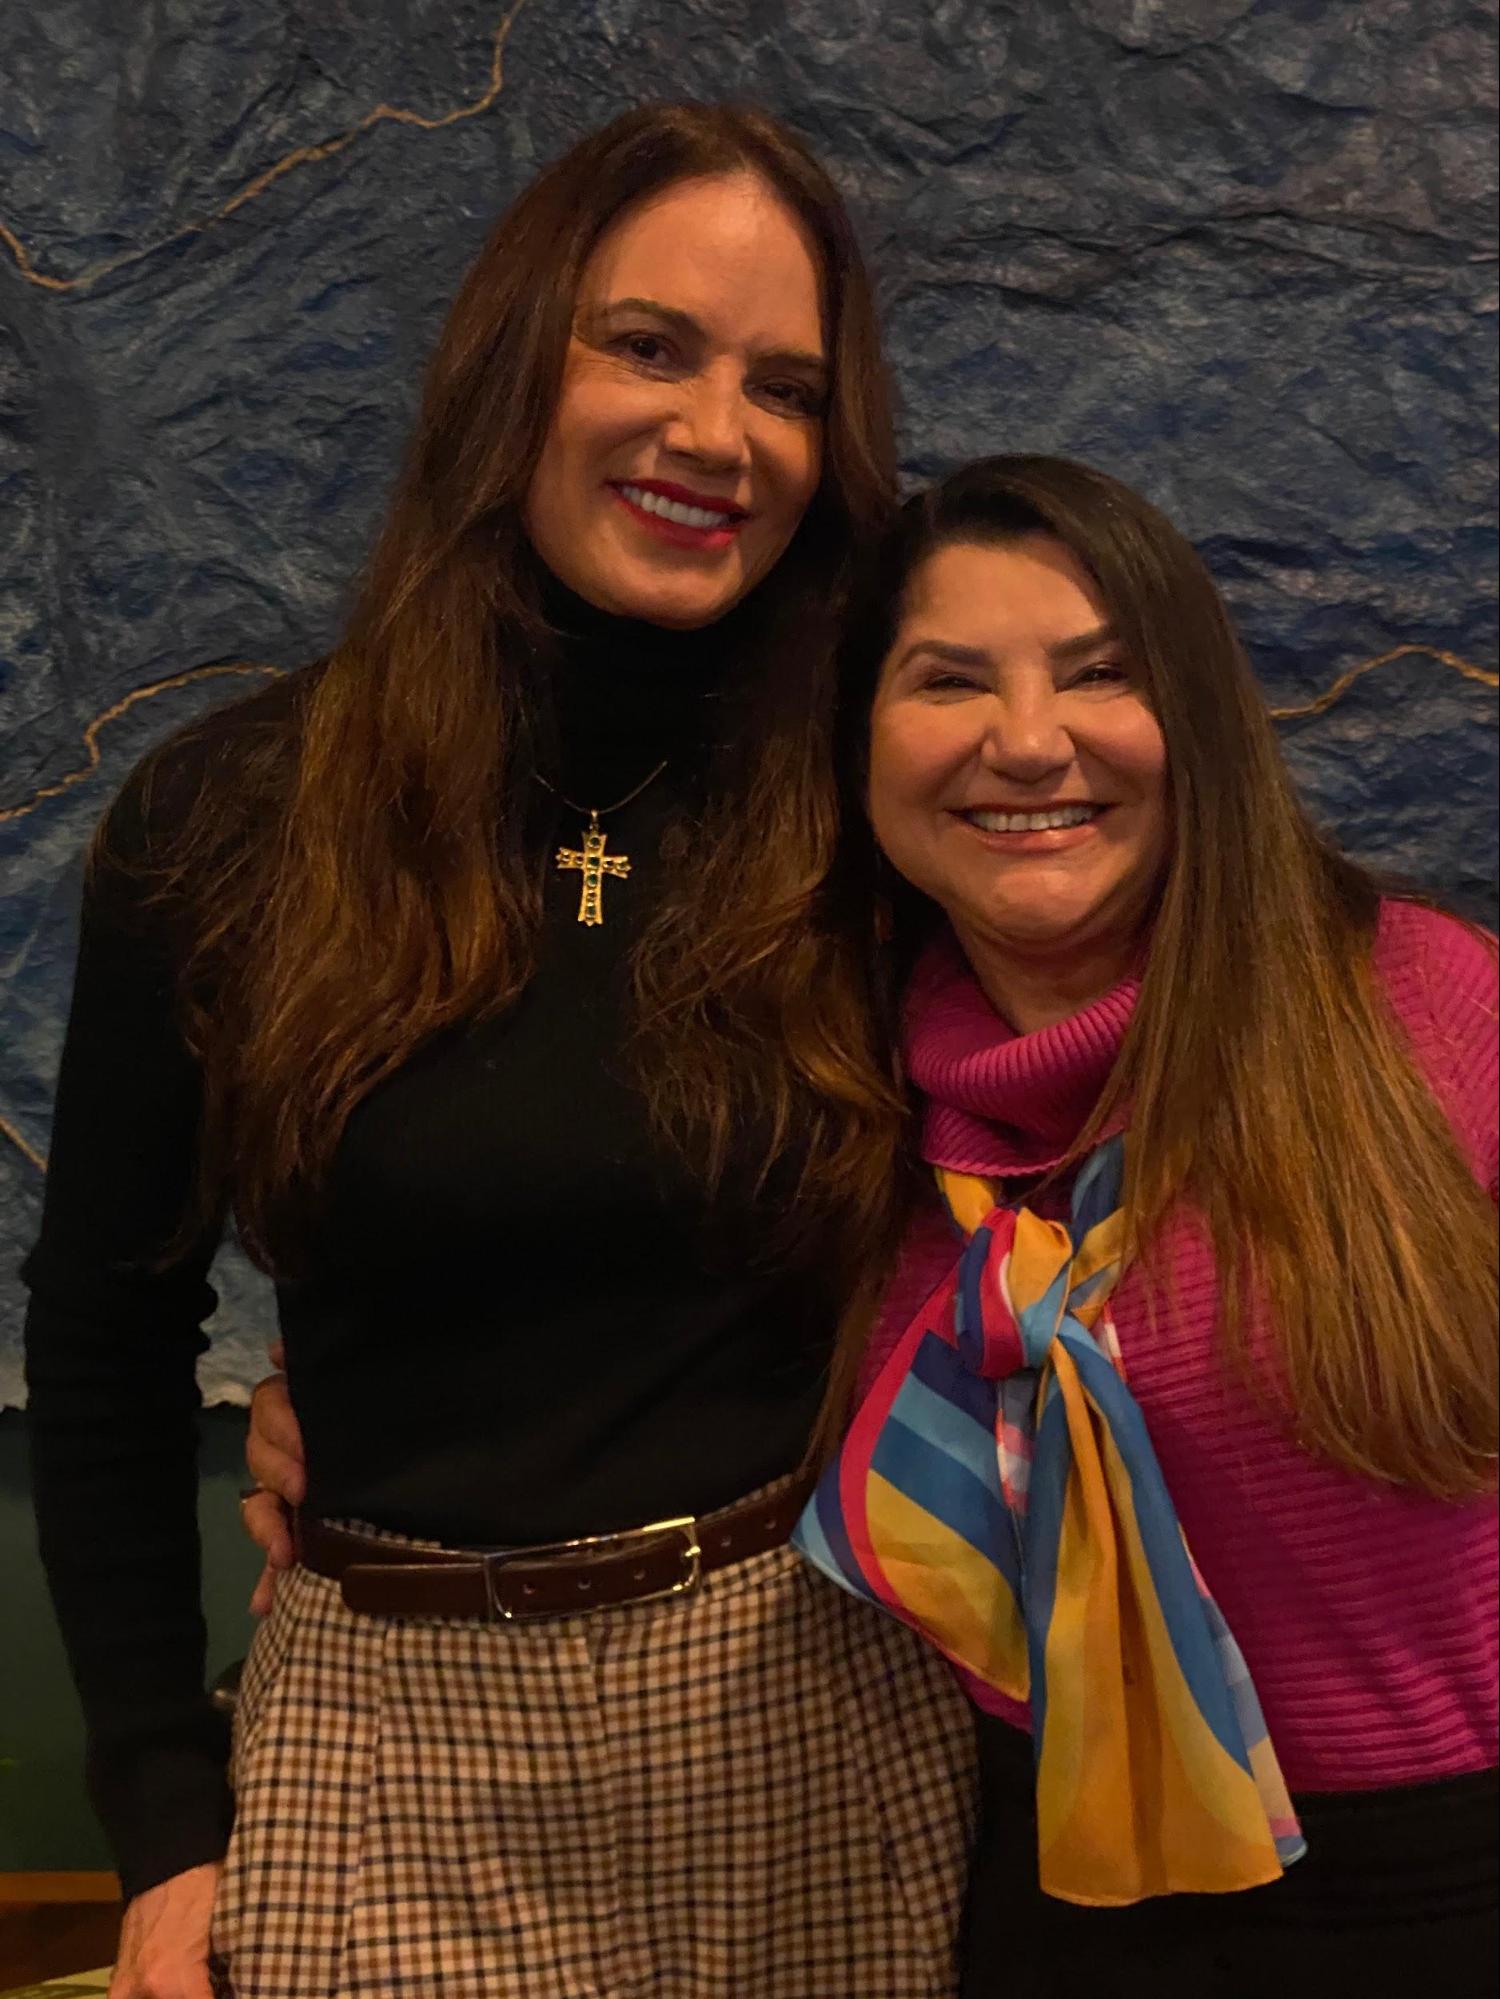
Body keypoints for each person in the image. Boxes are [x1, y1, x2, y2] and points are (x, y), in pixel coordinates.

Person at [22, 105, 978, 1999]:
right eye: (647, 345)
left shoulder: (881, 814)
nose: (718, 432)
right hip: (384, 1748)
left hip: (813, 1715)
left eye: (787, 385)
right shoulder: (233, 821)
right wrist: (163, 1824)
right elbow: (107, 1334)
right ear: (508, 359)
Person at [806, 455, 1496, 1995]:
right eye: (948, 681)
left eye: (1101, 674)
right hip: (1042, 1904)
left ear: (1193, 723)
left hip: (1442, 1897)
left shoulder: (1431, 1016)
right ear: (860, 750)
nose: (1030, 740)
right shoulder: (837, 1111)